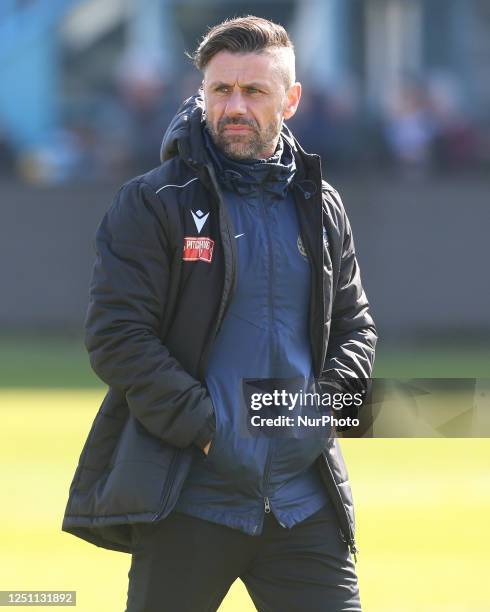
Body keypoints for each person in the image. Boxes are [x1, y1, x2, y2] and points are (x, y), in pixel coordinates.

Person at [62, 16, 377, 612]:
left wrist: (314, 416)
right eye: (219, 90)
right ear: (201, 92)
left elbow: (355, 330)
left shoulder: (321, 203)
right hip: (188, 499)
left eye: (254, 91)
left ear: (291, 99)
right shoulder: (153, 201)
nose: (234, 105)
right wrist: (210, 430)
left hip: (301, 503)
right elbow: (117, 337)